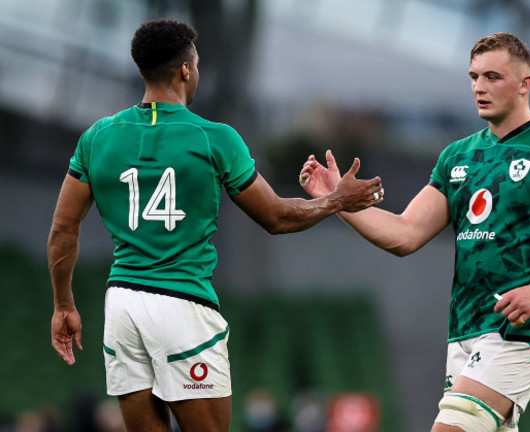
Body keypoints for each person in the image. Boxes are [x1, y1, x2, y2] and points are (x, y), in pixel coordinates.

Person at [48, 19, 383, 432]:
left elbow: (63, 231)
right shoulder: (214, 137)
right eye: (198, 64)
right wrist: (336, 200)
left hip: (122, 304)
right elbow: (276, 217)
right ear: (186, 70)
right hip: (182, 304)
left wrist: (63, 304)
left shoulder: (97, 137)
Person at [299, 32, 530, 432]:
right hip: (464, 331)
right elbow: (405, 233)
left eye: (493, 77)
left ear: (525, 84)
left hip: (517, 332)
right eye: (474, 77)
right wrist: (335, 201)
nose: (479, 88)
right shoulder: (457, 156)